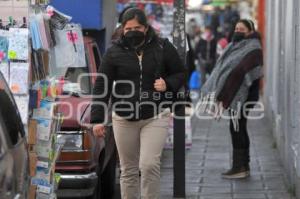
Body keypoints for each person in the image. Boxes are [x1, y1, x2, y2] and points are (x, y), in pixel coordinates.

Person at [91, 8, 185, 199]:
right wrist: (97, 119)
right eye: (128, 28)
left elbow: (181, 72)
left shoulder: (162, 46)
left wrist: (168, 84)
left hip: (156, 114)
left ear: (146, 27)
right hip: (123, 118)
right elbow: (102, 85)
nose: (132, 32)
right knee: (128, 169)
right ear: (122, 29)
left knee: (149, 165)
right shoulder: (114, 52)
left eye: (137, 28)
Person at [200, 19, 263, 179]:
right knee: (238, 127)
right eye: (236, 28)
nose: (238, 31)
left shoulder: (253, 47)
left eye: (242, 29)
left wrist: (230, 85)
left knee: (237, 128)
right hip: (237, 94)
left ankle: (240, 167)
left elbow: (242, 71)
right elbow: (223, 67)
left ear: (250, 31)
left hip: (246, 95)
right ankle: (243, 165)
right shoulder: (233, 46)